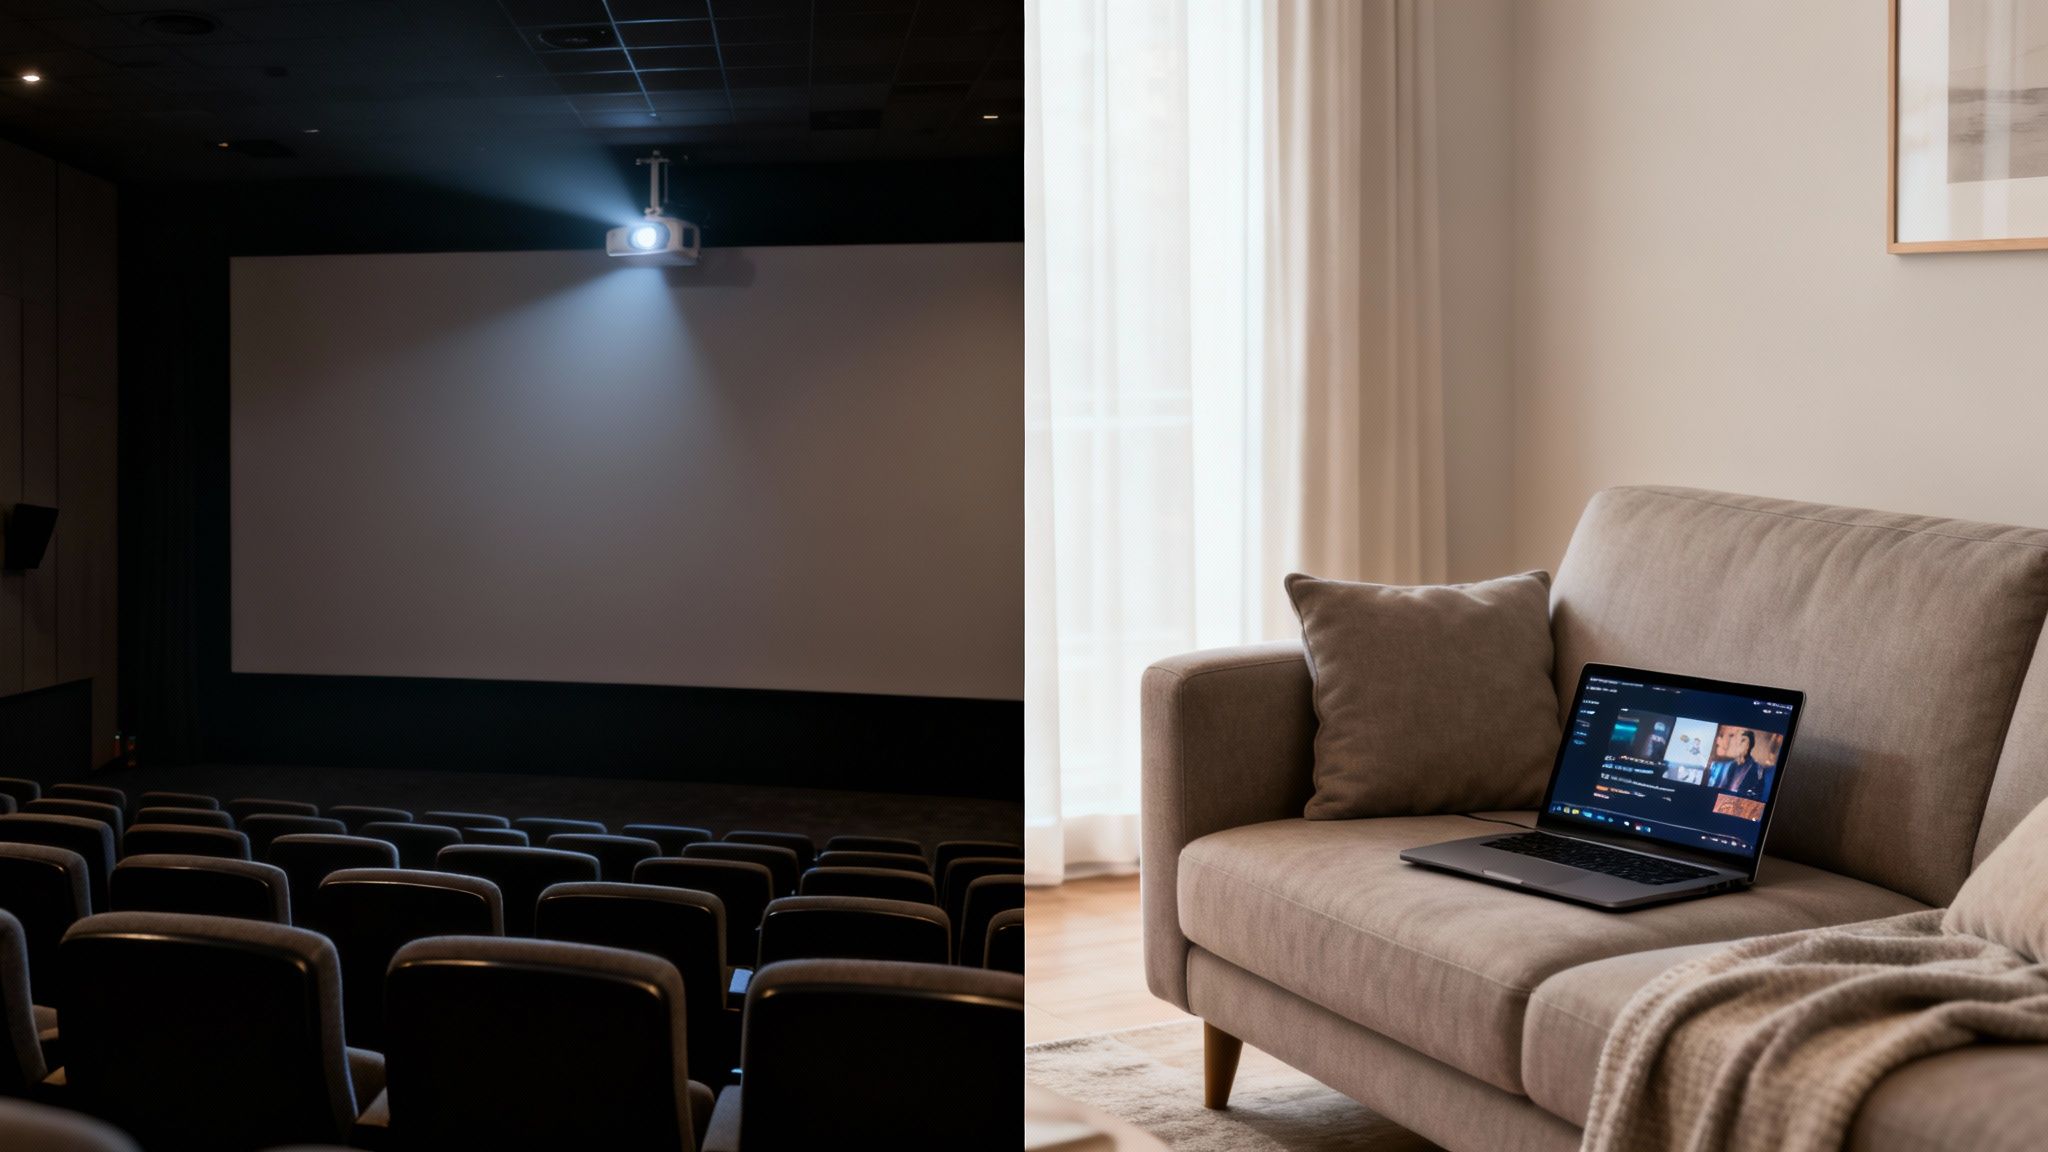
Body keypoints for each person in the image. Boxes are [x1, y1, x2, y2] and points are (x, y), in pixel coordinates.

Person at [1708, 729, 1770, 798]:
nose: (1738, 743)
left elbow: (1755, 793)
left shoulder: (1755, 767)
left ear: (1749, 744)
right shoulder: (1732, 765)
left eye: (1743, 740)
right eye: (1738, 740)